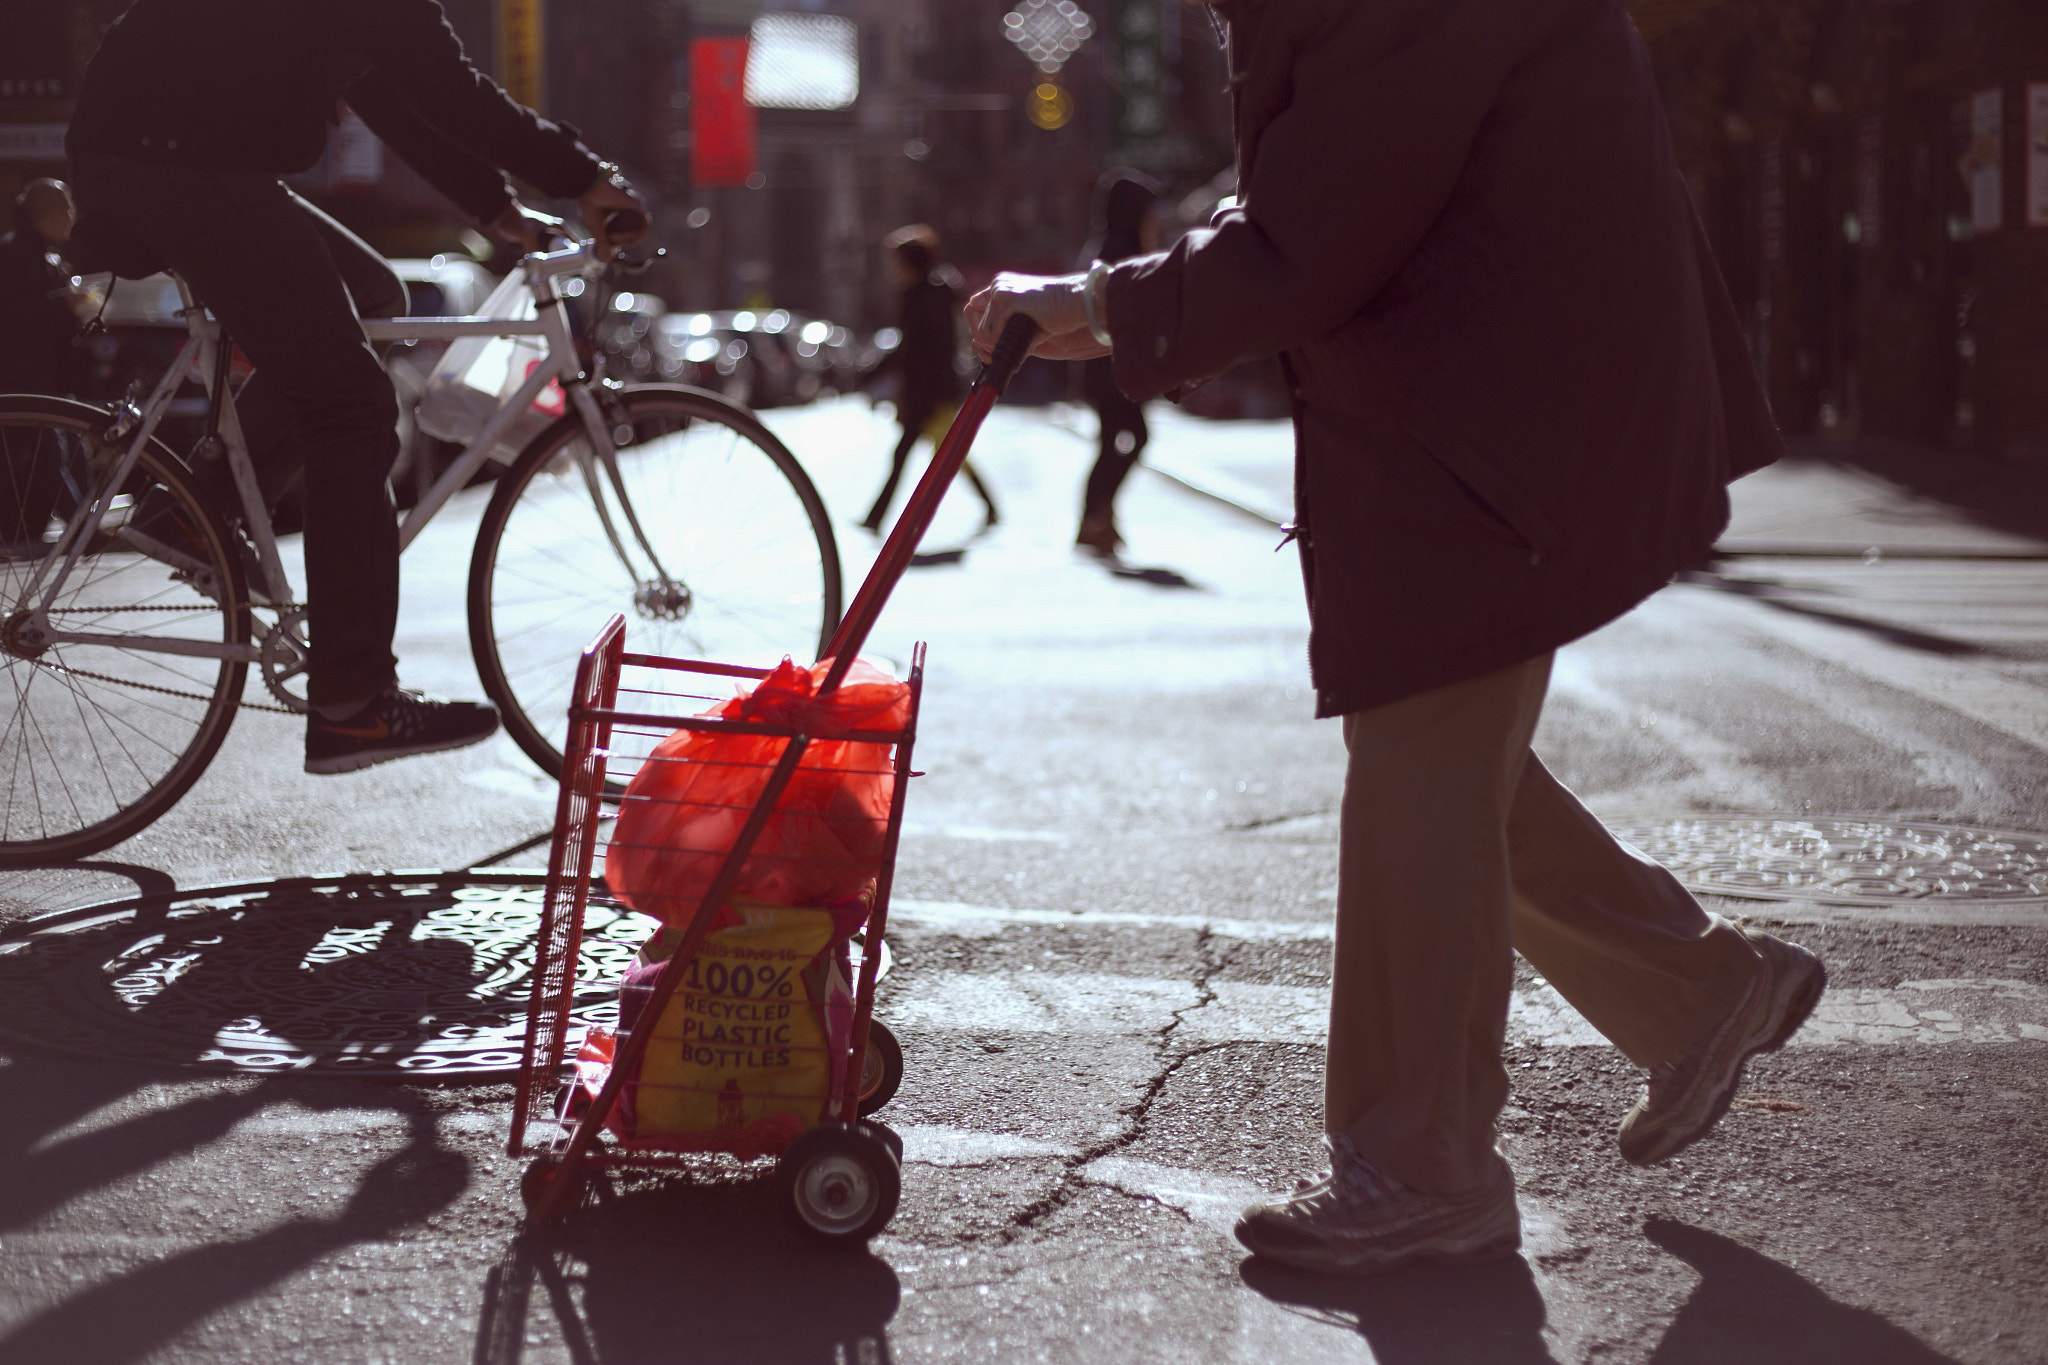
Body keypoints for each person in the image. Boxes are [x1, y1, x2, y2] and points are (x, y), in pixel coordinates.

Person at [968, 0, 1826, 1276]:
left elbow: (1318, 231)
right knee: (1433, 749)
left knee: (1423, 765)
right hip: (1483, 403)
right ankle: (1695, 996)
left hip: (1498, 419)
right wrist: (1117, 309)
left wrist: (1100, 301)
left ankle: (1421, 1162)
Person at [64, 0, 648, 776]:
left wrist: (498, 210)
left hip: (165, 147)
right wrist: (585, 179)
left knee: (378, 296)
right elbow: (449, 90)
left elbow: (393, 94)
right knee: (357, 409)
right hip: (178, 161)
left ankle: (194, 513)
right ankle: (353, 703)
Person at [859, 225, 999, 535]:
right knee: (945, 455)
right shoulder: (921, 295)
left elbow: (928, 351)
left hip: (931, 395)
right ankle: (878, 517)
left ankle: (880, 518)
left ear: (911, 264)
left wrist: (880, 374)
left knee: (942, 455)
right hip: (926, 392)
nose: (895, 271)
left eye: (898, 264)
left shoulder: (928, 298)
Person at [1074, 170, 1162, 558]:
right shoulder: (1120, 253)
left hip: (1106, 369)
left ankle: (1096, 517)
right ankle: (1096, 516)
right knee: (1130, 438)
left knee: (1113, 442)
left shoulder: (1107, 247)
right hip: (1113, 370)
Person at [0, 179, 89, 548]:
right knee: (47, 454)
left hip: (48, 377)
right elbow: (10, 313)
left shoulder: (45, 254)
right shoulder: (13, 254)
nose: (73, 217)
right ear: (48, 213)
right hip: (23, 378)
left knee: (60, 453)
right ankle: (83, 529)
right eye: (67, 209)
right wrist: (62, 301)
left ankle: (36, 528)